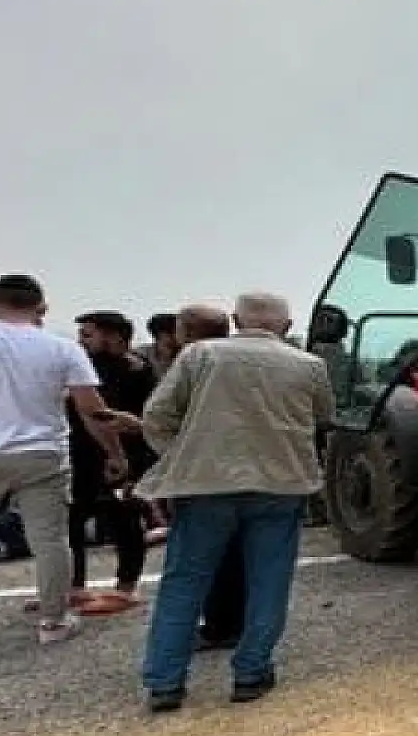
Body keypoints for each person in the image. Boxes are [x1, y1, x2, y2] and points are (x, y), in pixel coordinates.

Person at [136, 291, 335, 711]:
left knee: (184, 583)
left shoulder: (200, 355)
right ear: (287, 326)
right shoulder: (309, 365)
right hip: (281, 486)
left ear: (235, 320)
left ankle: (165, 683)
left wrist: (182, 456)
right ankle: (250, 673)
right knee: (268, 582)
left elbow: (156, 417)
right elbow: (322, 416)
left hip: (206, 487)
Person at [0, 275, 130, 643]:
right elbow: (92, 409)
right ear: (41, 307)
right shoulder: (62, 348)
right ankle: (53, 620)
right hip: (43, 452)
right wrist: (115, 453)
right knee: (50, 540)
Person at [67, 310, 156, 612]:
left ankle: (126, 587)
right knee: (72, 519)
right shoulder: (84, 367)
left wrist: (124, 456)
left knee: (124, 518)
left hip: (126, 455)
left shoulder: (136, 370)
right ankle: (74, 587)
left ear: (113, 337)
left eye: (88, 335)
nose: (81, 341)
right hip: (81, 452)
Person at [173, 303, 246, 650]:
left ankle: (219, 626)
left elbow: (164, 417)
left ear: (187, 332)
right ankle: (237, 622)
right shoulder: (244, 362)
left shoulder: (192, 362)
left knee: (204, 557)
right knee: (237, 553)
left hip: (205, 473)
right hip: (248, 469)